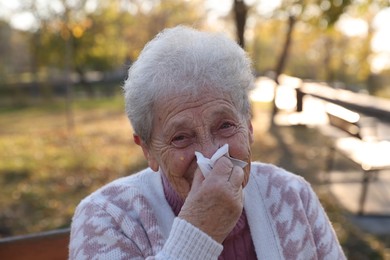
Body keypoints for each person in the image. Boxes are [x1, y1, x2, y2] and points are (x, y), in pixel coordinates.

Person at [69, 26, 345, 259]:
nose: (213, 156)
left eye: (225, 125)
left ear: (248, 127)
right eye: (180, 137)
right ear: (148, 150)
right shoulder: (106, 217)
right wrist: (199, 233)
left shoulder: (292, 194)